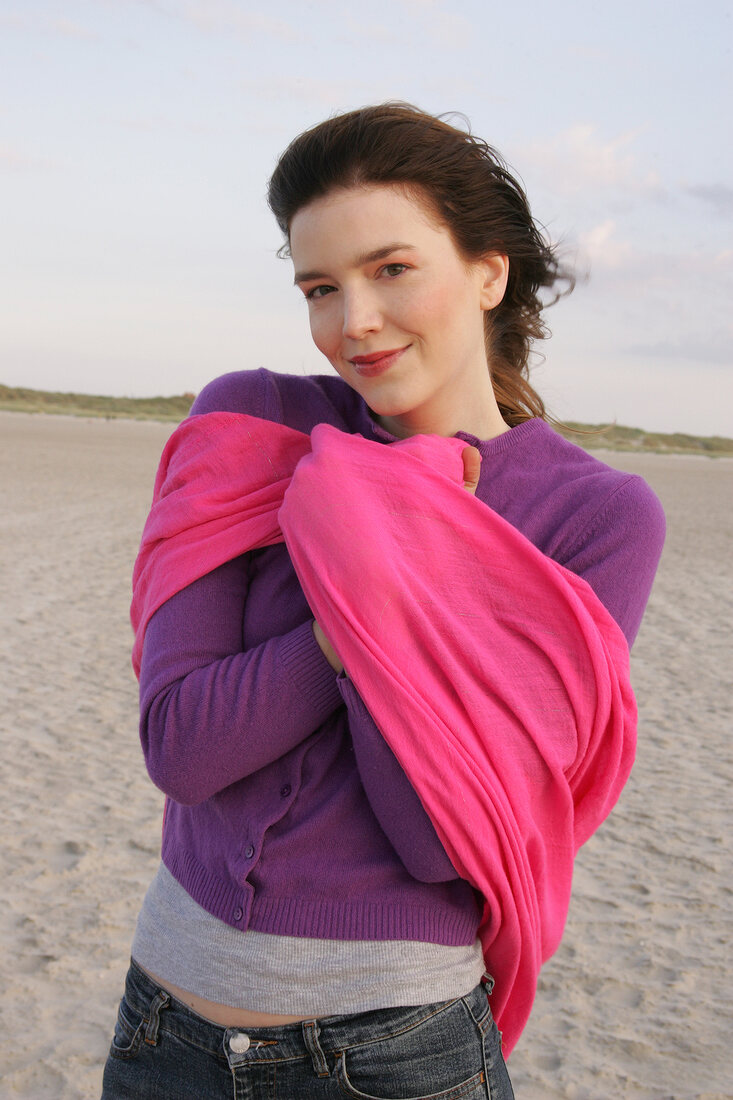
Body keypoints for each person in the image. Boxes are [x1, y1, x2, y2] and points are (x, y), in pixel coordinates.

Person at [101, 104, 665, 1099]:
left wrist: (374, 559)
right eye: (319, 287)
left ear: (488, 271)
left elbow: (443, 839)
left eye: (390, 268)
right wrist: (354, 613)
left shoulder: (593, 516)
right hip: (165, 1033)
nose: (350, 320)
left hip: (396, 1056)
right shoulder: (252, 418)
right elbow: (183, 746)